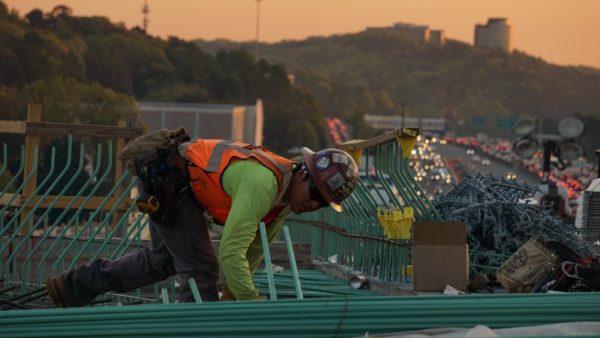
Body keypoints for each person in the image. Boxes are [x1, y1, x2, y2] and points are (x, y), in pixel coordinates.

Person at [45, 137, 359, 306]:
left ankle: (72, 287)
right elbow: (231, 251)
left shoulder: (285, 202)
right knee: (200, 270)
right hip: (172, 182)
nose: (313, 204)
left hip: (177, 183)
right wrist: (251, 303)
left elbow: (252, 253)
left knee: (162, 262)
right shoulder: (264, 185)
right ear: (303, 172)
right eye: (315, 192)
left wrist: (232, 299)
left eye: (323, 204)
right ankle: (195, 328)